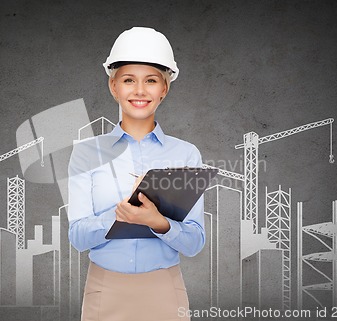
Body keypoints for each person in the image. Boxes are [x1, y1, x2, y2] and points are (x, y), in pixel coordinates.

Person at [67, 27, 205, 321]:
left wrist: (160, 224)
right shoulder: (86, 153)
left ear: (164, 89)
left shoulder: (186, 155)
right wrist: (118, 216)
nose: (140, 90)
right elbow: (78, 237)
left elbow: (194, 242)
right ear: (113, 86)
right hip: (104, 289)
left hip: (165, 289)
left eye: (151, 81)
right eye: (129, 80)